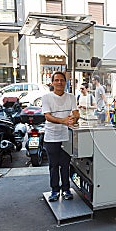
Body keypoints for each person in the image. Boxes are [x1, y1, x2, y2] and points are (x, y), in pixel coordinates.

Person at [42, 71, 80, 202]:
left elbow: (76, 113)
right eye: (56, 80)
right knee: (53, 165)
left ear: (65, 82)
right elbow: (47, 116)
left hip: (66, 137)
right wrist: (63, 121)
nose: (59, 82)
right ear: (52, 83)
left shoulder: (71, 97)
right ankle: (54, 190)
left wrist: (74, 119)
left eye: (62, 80)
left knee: (65, 164)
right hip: (51, 137)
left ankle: (66, 189)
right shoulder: (46, 97)